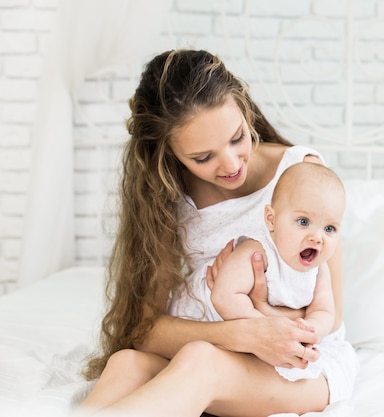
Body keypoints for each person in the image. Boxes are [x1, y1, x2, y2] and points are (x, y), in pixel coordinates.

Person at [77, 48, 359, 417]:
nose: (229, 164)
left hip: (300, 364)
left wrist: (258, 313)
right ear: (169, 152)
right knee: (127, 363)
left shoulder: (299, 173)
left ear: (243, 107)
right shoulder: (169, 195)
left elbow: (330, 312)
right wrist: (240, 333)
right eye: (203, 158)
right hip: (224, 349)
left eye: (237, 137)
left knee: (201, 362)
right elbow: (144, 330)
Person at [169, 161, 346, 383]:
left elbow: (324, 311)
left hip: (242, 333)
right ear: (271, 220)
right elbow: (224, 296)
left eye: (329, 228)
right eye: (303, 222)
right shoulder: (257, 252)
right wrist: (263, 323)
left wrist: (311, 331)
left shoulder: (319, 270)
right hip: (199, 317)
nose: (317, 237)